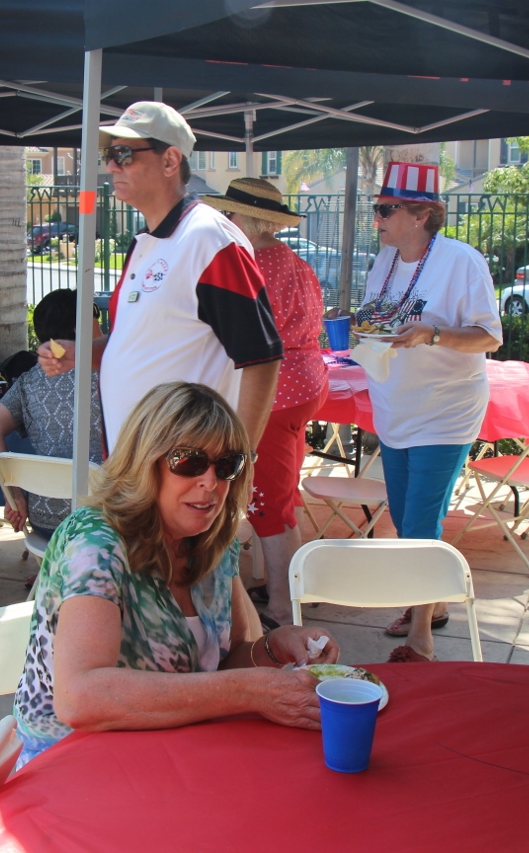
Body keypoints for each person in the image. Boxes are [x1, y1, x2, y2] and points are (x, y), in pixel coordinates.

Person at [12, 382, 340, 765]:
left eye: (226, 465)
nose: (210, 482)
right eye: (189, 461)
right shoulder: (95, 541)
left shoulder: (212, 539)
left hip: (179, 748)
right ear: (145, 461)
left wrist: (272, 647)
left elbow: (227, 660)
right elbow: (79, 697)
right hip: (74, 761)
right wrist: (247, 691)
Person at [35, 101, 284, 451]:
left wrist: (236, 464)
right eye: (109, 153)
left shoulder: (209, 239)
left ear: (170, 160)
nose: (110, 165)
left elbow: (261, 357)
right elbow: (138, 343)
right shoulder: (147, 243)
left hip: (186, 468)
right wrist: (82, 353)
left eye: (123, 153)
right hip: (136, 465)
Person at [355, 161, 503, 663]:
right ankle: (431, 603)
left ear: (421, 215)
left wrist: (433, 334)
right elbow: (380, 316)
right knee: (403, 514)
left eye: (385, 209)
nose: (377, 219)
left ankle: (422, 636)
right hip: (395, 405)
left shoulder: (462, 261)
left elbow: (489, 335)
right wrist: (361, 329)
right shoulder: (386, 261)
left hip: (445, 410)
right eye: (377, 209)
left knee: (419, 521)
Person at [203, 178, 329, 626]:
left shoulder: (252, 261)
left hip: (274, 392)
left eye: (227, 213)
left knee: (266, 503)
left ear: (244, 218)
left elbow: (239, 335)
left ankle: (281, 606)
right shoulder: (292, 259)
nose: (221, 220)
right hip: (305, 385)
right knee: (281, 496)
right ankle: (290, 587)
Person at [0, 289, 104, 544]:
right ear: (77, 328)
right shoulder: (112, 374)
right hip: (104, 521)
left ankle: (55, 568)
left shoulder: (28, 381)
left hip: (46, 521)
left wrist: (13, 494)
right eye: (94, 314)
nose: (99, 320)